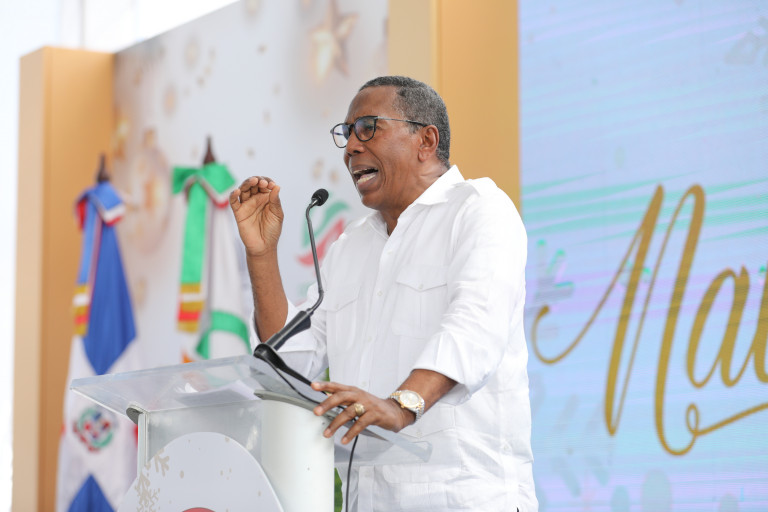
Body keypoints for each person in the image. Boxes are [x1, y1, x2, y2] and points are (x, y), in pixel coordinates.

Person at [229, 76, 537, 512]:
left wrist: (403, 404)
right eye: (347, 133)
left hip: (463, 498)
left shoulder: (479, 210)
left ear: (426, 141)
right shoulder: (350, 247)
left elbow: (475, 326)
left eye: (367, 127)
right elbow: (290, 364)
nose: (351, 147)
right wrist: (261, 255)